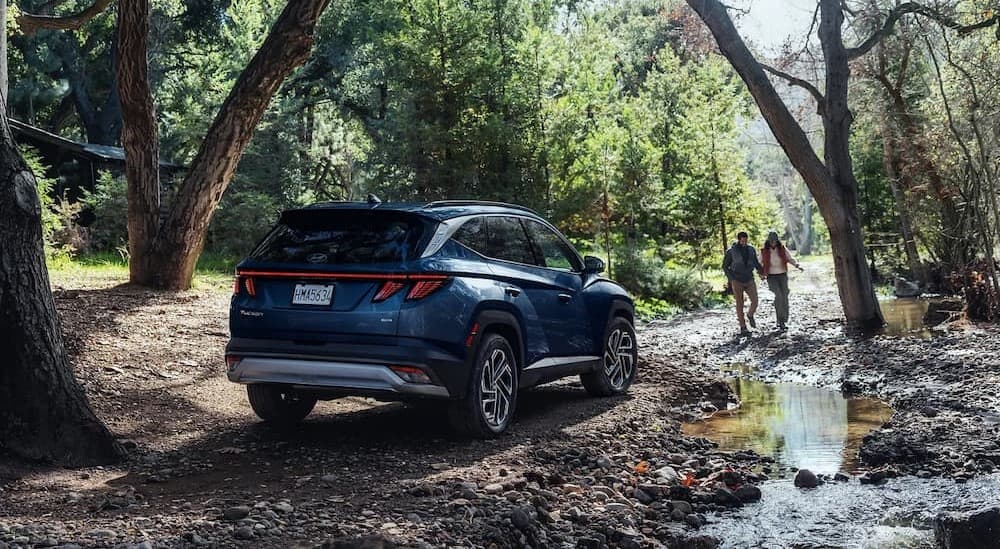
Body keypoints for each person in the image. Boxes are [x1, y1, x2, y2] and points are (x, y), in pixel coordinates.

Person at [723, 231, 764, 336]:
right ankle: (743, 326)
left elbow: (756, 263)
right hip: (737, 280)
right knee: (739, 303)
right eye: (742, 241)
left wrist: (761, 272)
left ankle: (750, 315)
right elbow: (725, 266)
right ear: (739, 240)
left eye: (746, 240)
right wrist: (731, 278)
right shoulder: (731, 251)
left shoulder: (751, 249)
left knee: (755, 300)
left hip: (749, 278)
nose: (744, 242)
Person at [761, 231, 804, 331]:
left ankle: (784, 318)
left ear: (777, 241)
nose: (773, 243)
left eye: (774, 241)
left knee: (784, 296)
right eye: (771, 241)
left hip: (782, 275)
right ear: (768, 241)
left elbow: (790, 258)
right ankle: (779, 320)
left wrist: (797, 265)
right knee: (778, 295)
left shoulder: (782, 249)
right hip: (771, 276)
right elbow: (759, 262)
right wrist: (761, 274)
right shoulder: (764, 251)